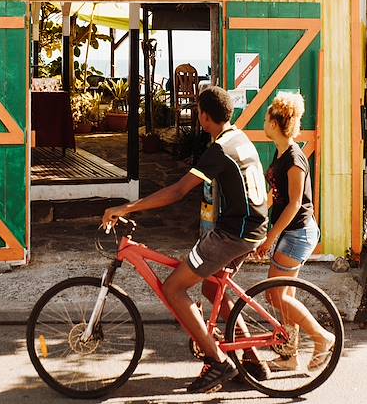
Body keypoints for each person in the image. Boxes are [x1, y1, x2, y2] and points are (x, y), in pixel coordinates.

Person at [103, 86, 269, 394]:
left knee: (174, 287)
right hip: (253, 229)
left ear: (204, 117)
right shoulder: (240, 138)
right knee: (210, 285)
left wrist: (127, 206)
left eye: (198, 113)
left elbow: (178, 191)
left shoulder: (219, 150)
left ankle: (218, 361)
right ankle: (251, 359)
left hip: (233, 234)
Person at [257, 92, 334, 371]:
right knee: (280, 295)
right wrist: (257, 213)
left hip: (298, 233)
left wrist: (270, 237)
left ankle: (322, 337)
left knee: (277, 295)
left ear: (276, 123)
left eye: (267, 118)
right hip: (292, 233)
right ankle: (290, 355)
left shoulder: (295, 158)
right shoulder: (281, 154)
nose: (264, 122)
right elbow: (274, 196)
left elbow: (294, 203)